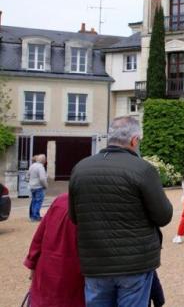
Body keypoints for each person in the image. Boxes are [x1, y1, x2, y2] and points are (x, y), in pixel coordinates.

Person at [69, 116, 173, 306]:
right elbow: (163, 216)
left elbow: (74, 217)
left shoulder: (80, 168)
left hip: (95, 261)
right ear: (134, 140)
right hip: (134, 262)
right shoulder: (143, 169)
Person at [24, 193, 85, 307]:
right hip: (75, 278)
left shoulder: (61, 200)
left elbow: (39, 237)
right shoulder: (99, 206)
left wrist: (32, 262)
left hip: (48, 273)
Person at [28, 154, 48, 222]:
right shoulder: (40, 167)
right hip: (38, 186)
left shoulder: (32, 166)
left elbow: (27, 175)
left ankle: (33, 216)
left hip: (32, 186)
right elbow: (42, 178)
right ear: (43, 160)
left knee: (34, 201)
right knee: (38, 202)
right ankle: (35, 216)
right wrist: (45, 185)